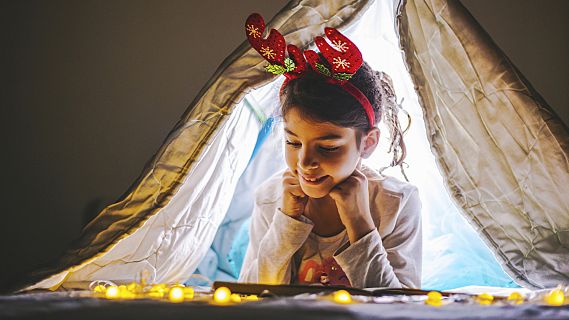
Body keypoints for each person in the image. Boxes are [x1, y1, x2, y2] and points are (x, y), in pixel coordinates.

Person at [238, 14, 422, 289]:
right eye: (293, 143)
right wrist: (286, 223)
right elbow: (249, 295)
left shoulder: (395, 204)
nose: (305, 163)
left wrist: (360, 224)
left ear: (368, 143)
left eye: (328, 148)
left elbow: (404, 307)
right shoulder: (271, 197)